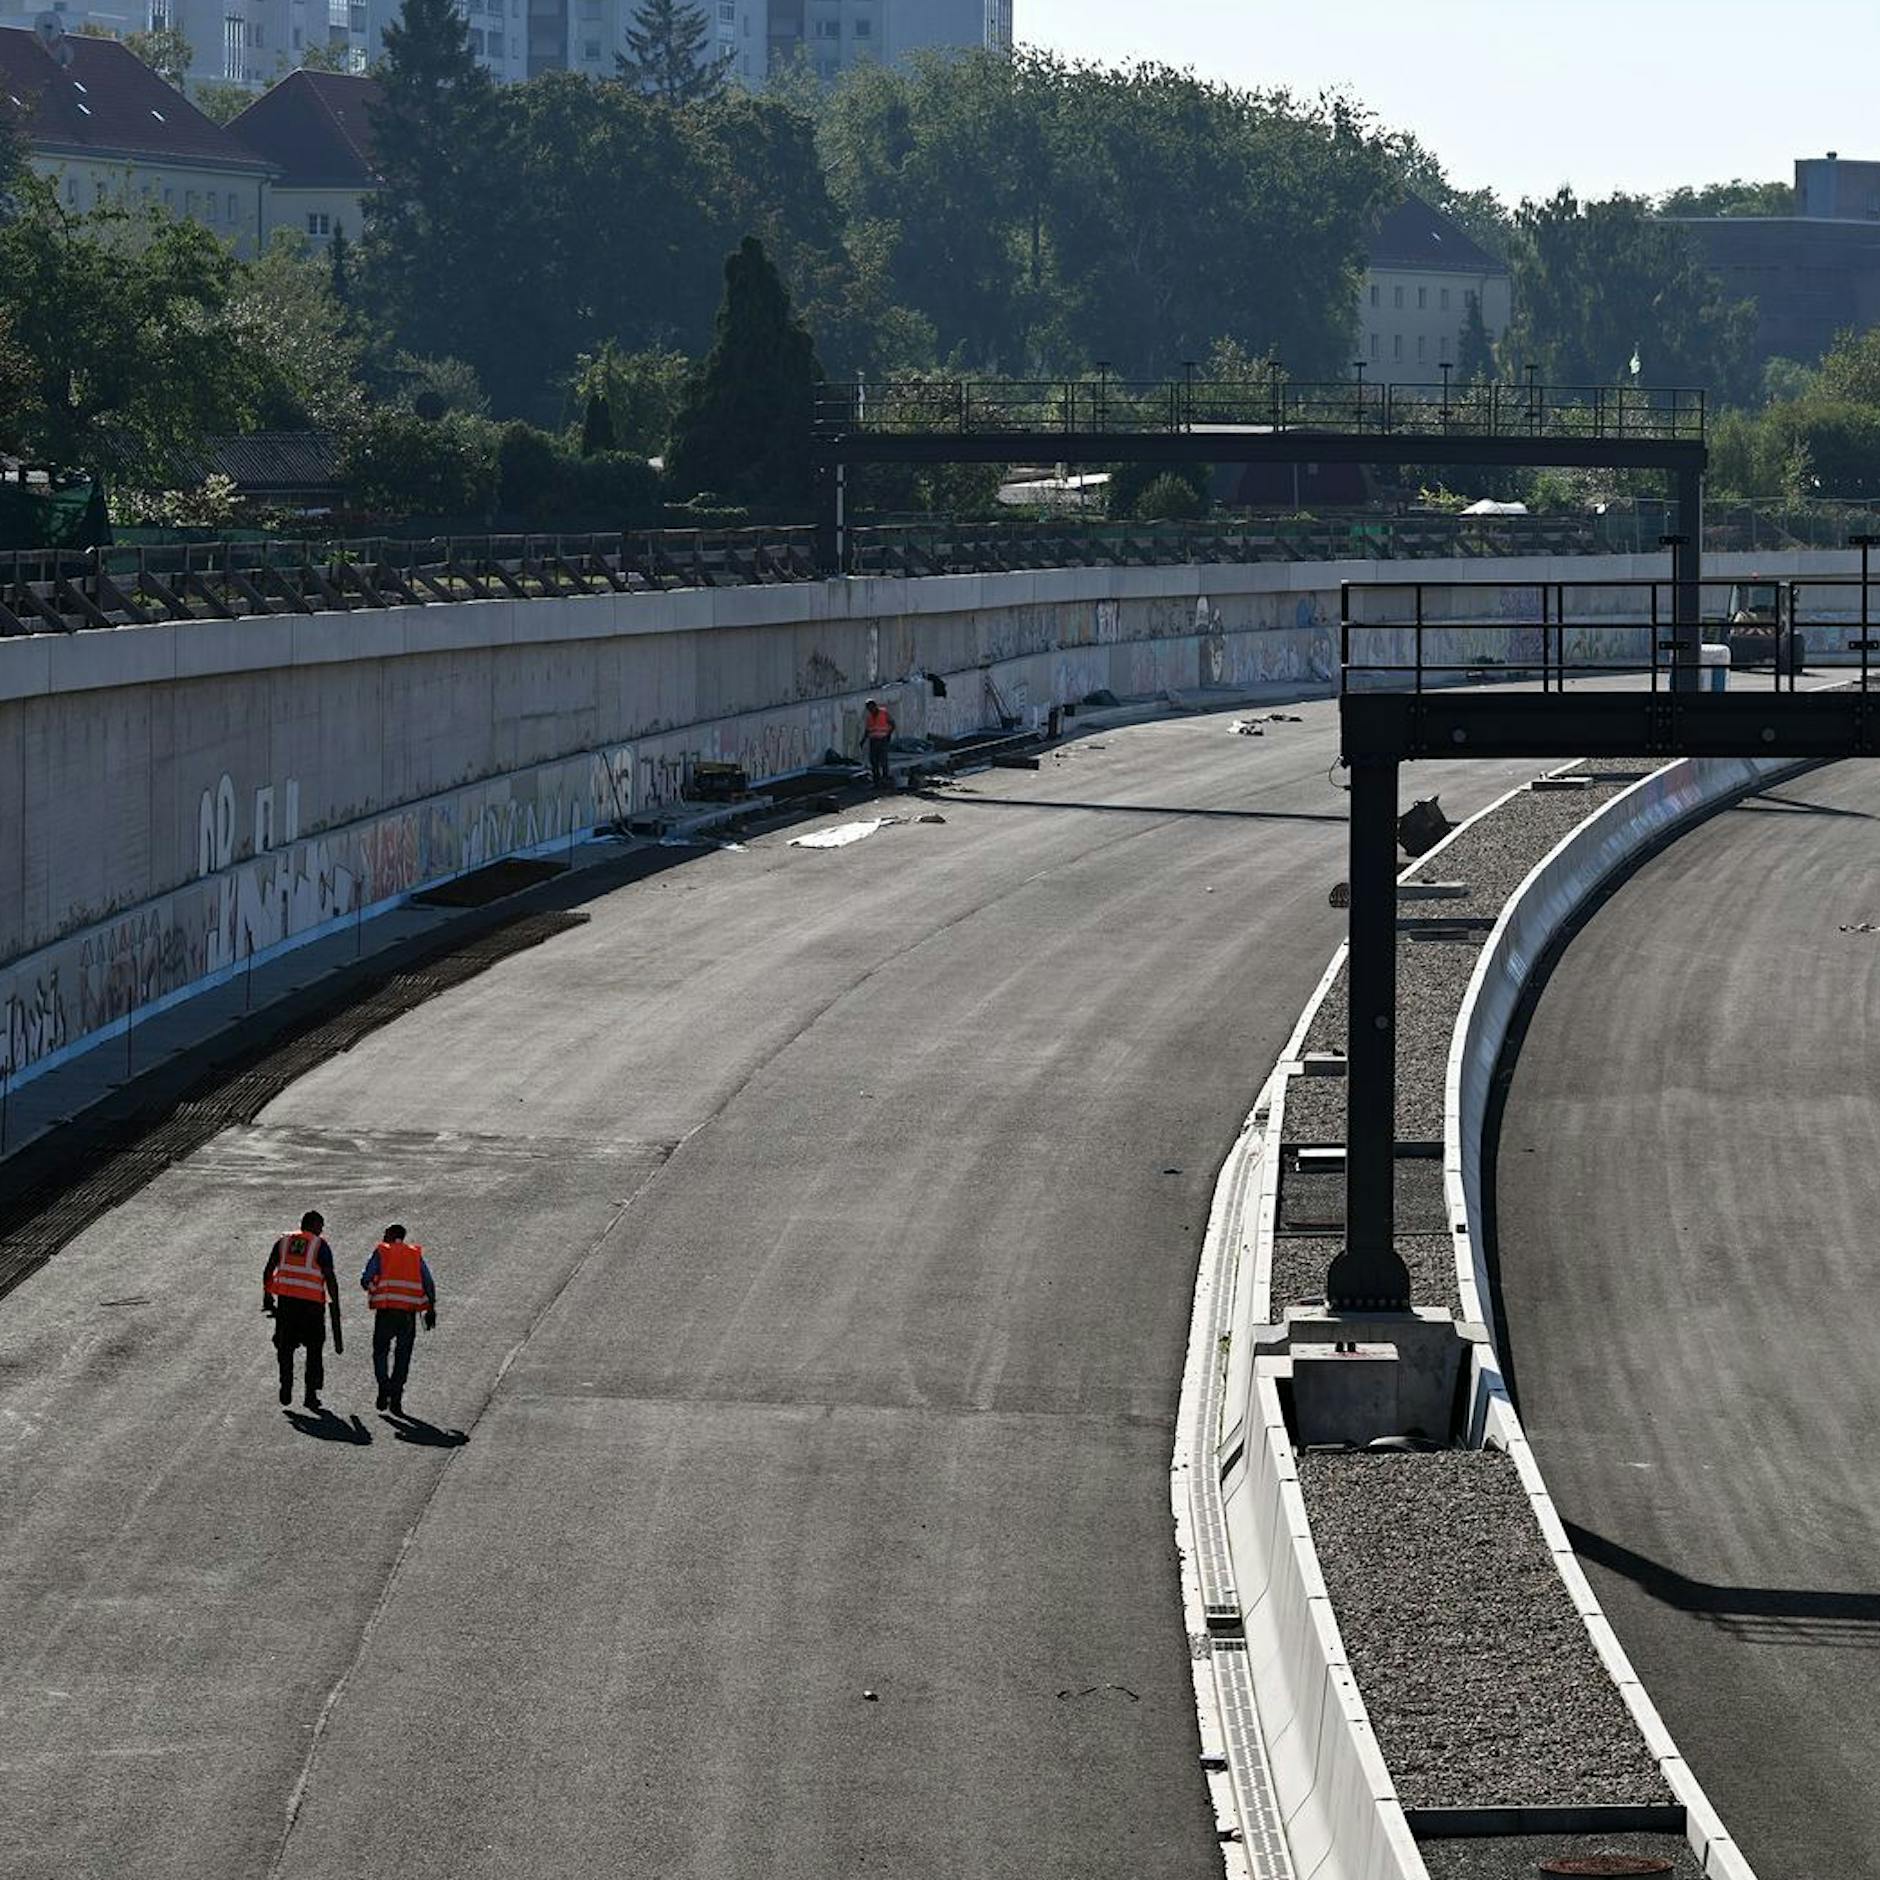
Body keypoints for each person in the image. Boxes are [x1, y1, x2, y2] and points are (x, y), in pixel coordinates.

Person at [264, 1210, 342, 1412]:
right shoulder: (320, 1245)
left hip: (287, 1305)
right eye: (321, 1225)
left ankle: (286, 1384)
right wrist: (335, 1301)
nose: (322, 1230)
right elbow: (329, 1276)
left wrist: (267, 1295)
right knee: (314, 1350)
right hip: (312, 1308)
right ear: (314, 1225)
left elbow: (268, 1269)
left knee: (285, 1347)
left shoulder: (283, 1242)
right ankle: (310, 1395)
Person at [359, 1224, 437, 1416]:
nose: (383, 1236)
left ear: (393, 1235)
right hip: (408, 1314)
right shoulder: (414, 1254)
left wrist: (372, 1286)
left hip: (386, 1310)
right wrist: (431, 1308)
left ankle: (384, 1386)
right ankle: (396, 1396)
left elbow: (365, 1279)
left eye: (386, 1233)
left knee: (380, 1352)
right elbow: (428, 1282)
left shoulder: (382, 1252)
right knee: (403, 1355)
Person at [862, 697, 896, 791]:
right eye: (868, 708)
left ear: (874, 706)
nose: (870, 710)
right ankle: (877, 781)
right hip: (873, 741)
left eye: (871, 707)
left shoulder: (883, 713)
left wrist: (888, 735)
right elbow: (868, 730)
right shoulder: (869, 717)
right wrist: (863, 740)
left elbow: (892, 724)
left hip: (882, 740)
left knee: (883, 761)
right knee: (874, 761)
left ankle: (885, 779)